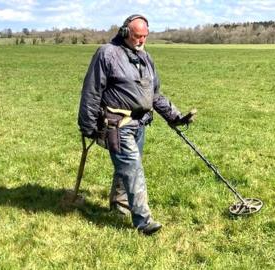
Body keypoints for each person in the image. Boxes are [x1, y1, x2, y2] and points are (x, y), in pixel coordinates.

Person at [77, 14, 195, 235]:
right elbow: (91, 91)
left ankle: (119, 205)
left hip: (139, 124)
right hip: (116, 125)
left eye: (145, 37)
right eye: (137, 36)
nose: (141, 41)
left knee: (126, 169)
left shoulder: (146, 58)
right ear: (124, 33)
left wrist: (175, 116)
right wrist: (88, 126)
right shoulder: (107, 54)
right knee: (133, 170)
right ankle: (143, 221)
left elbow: (154, 95)